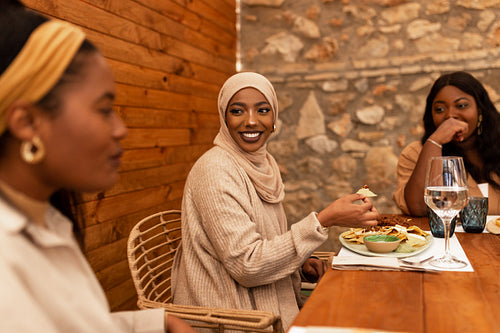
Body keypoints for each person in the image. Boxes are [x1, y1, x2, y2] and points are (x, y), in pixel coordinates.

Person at [0, 1, 195, 332]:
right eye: (104, 110)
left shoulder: (45, 221)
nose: (121, 129)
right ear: (27, 122)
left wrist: (152, 323)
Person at [171, 72, 379, 331]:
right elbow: (246, 264)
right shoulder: (215, 170)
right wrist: (325, 220)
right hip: (231, 319)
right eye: (237, 111)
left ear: (274, 120)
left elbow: (261, 239)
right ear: (224, 118)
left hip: (268, 307)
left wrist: (300, 265)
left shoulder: (263, 164)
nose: (250, 121)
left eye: (262, 110)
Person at [393, 71, 500, 216]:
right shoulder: (416, 153)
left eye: (461, 105)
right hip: (448, 238)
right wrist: (435, 141)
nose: (450, 115)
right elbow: (418, 208)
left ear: (480, 110)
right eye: (440, 109)